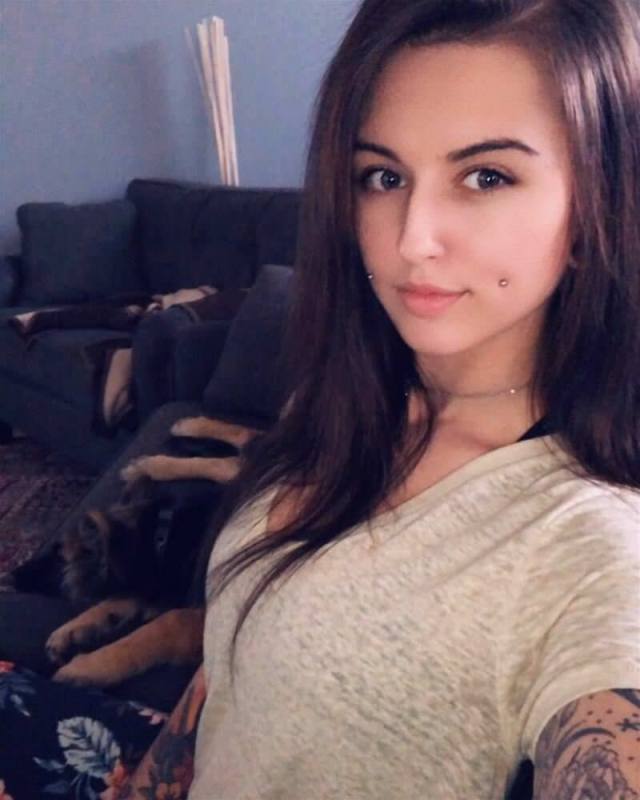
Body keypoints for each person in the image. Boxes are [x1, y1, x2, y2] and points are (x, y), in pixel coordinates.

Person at [183, 0, 640, 797]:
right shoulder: (339, 407)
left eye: (486, 176)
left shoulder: (590, 540)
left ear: (596, 203)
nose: (410, 238)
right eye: (383, 177)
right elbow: (235, 675)